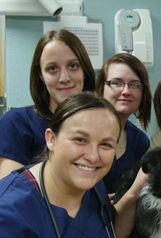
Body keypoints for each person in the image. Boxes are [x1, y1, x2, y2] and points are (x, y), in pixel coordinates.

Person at [0, 92, 146, 238]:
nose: (93, 156)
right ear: (51, 139)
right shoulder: (10, 213)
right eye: (80, 140)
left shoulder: (93, 186)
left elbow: (109, 235)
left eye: (106, 145)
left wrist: (135, 192)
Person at [0, 29, 95, 179]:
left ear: (84, 70)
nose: (64, 77)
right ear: (41, 76)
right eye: (52, 69)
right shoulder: (17, 123)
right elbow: (10, 194)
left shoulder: (96, 125)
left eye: (73, 66)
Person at [95, 53, 152, 194]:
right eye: (116, 83)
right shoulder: (81, 132)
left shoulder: (140, 141)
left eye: (134, 85)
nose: (126, 91)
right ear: (102, 88)